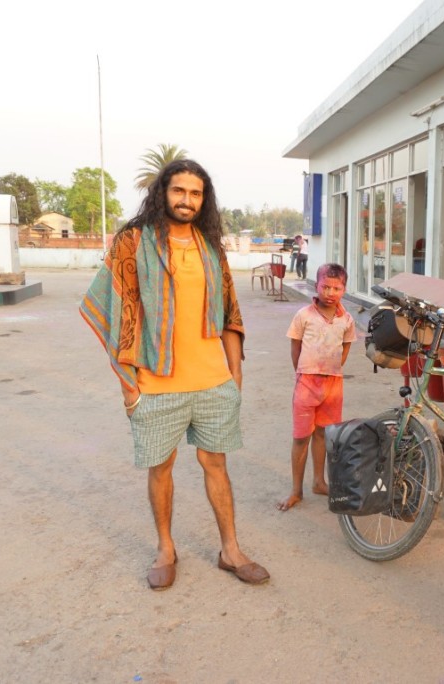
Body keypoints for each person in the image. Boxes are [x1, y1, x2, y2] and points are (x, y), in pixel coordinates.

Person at [80, 159, 269, 591]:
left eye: (196, 193)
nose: (187, 200)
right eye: (179, 191)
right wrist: (128, 386)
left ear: (205, 199)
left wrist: (235, 375)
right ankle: (166, 548)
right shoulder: (132, 242)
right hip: (155, 381)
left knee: (216, 465)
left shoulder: (210, 246)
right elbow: (117, 313)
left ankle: (230, 550)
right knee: (161, 468)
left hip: (212, 382)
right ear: (163, 191)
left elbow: (229, 314)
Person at [277, 263, 355, 511]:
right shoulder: (304, 315)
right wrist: (302, 373)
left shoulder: (347, 319)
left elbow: (346, 346)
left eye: (336, 288)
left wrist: (333, 368)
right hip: (306, 382)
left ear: (344, 289)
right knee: (301, 437)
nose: (330, 292)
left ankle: (319, 482)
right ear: (316, 285)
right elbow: (295, 347)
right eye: (325, 286)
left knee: (323, 434)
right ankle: (296, 490)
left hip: (333, 384)